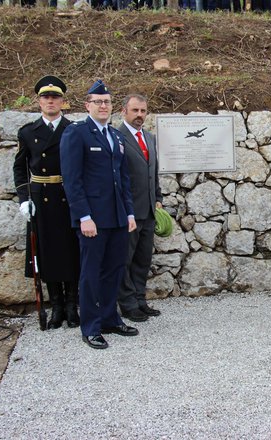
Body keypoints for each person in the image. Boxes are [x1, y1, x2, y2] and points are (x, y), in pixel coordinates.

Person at [60, 79, 138, 350]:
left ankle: (109, 319)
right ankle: (91, 327)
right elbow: (72, 180)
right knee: (91, 273)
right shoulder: (77, 133)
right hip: (93, 219)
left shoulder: (115, 136)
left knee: (114, 270)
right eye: (98, 102)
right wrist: (83, 217)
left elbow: (123, 178)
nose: (103, 106)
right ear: (87, 106)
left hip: (117, 217)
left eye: (106, 102)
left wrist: (129, 212)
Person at [13, 75, 80, 330]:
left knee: (71, 251)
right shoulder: (28, 132)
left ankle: (72, 306)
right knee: (48, 253)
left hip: (68, 197)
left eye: (55, 97)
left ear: (63, 101)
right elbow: (20, 168)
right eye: (45, 97)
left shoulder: (73, 129)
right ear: (39, 101)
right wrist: (23, 199)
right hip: (41, 198)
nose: (50, 101)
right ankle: (57, 307)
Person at [117, 94, 163, 322]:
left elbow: (152, 172)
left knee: (143, 259)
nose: (140, 116)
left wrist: (158, 197)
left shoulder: (149, 137)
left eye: (143, 111)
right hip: (129, 212)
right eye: (135, 110)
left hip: (149, 211)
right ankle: (127, 304)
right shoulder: (117, 137)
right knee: (125, 259)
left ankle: (140, 299)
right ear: (123, 111)